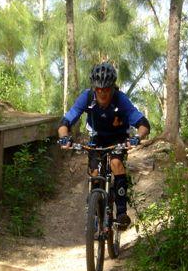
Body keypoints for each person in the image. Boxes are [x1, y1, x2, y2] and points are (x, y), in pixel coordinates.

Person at [58, 62, 150, 230]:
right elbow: (65, 122)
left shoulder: (120, 99)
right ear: (94, 88)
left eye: (106, 89)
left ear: (112, 88)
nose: (102, 93)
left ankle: (121, 212)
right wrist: (64, 138)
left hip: (118, 139)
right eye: (98, 89)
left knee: (115, 164)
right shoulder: (86, 97)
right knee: (94, 172)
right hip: (97, 139)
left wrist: (137, 137)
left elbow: (143, 124)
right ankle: (94, 209)